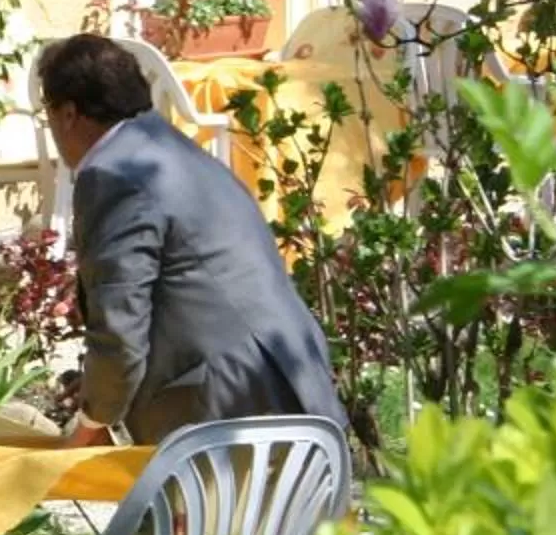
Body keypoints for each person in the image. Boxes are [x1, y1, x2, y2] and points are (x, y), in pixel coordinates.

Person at [36, 32, 346, 445]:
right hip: (292, 382)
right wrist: (99, 389)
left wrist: (91, 425)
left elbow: (121, 328)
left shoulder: (112, 174)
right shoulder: (175, 148)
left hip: (228, 413)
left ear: (68, 113)